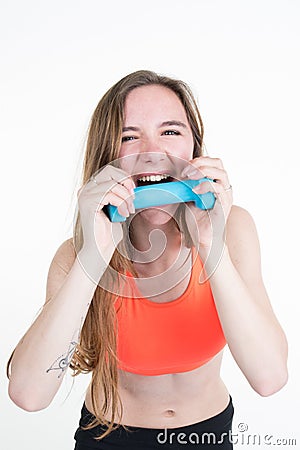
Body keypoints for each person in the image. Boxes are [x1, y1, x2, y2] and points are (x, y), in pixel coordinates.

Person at [7, 70, 288, 449]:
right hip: (107, 437)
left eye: (170, 132)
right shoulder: (76, 256)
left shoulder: (233, 231)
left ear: (194, 149)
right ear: (107, 157)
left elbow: (269, 378)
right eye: (128, 136)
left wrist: (209, 241)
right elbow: (29, 394)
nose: (151, 151)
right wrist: (95, 253)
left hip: (210, 435)